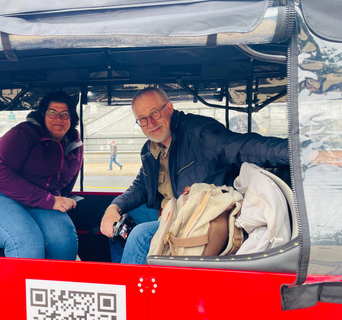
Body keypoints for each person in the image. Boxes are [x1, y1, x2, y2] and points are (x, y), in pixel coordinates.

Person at [99, 87, 289, 264]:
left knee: (140, 235)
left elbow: (246, 148)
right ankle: (120, 276)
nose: (151, 123)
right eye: (142, 119)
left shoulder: (200, 134)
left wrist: (300, 153)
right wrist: (114, 207)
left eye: (155, 113)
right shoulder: (151, 150)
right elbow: (140, 186)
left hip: (198, 217)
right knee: (117, 222)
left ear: (169, 108)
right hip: (167, 212)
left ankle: (129, 292)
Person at [0, 91, 83, 259]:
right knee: (26, 240)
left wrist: (58, 199)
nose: (58, 119)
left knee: (64, 240)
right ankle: (22, 285)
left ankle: (57, 284)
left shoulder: (74, 142)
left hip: (36, 199)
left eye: (64, 114)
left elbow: (67, 180)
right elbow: (1, 175)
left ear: (72, 118)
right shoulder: (22, 134)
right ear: (42, 115)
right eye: (52, 113)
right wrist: (49, 200)